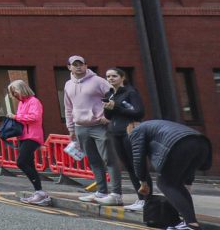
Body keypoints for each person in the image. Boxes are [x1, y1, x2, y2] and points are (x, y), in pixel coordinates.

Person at [128, 116, 213, 230]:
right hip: (201, 143)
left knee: (164, 183)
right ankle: (190, 222)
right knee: (176, 184)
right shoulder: (155, 124)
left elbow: (138, 159)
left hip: (178, 143)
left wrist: (143, 182)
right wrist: (188, 183)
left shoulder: (136, 131)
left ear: (131, 125)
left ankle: (191, 225)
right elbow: (188, 167)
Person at [62, 55, 112, 203]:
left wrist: (107, 116)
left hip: (99, 125)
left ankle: (116, 193)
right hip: (80, 127)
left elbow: (115, 98)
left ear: (86, 65)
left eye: (81, 64)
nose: (78, 67)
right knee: (93, 160)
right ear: (69, 67)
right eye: (75, 64)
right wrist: (70, 128)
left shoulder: (98, 81)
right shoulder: (68, 85)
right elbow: (68, 107)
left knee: (109, 159)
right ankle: (102, 191)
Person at [102, 68, 145, 209]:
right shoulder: (109, 94)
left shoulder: (130, 92)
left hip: (129, 132)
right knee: (128, 167)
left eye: (114, 76)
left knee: (136, 165)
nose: (111, 79)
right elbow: (109, 116)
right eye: (108, 76)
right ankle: (140, 199)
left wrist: (117, 107)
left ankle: (146, 199)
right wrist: (108, 108)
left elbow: (138, 113)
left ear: (122, 77)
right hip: (115, 133)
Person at [10, 79, 51, 206]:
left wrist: (16, 117)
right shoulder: (21, 103)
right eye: (12, 93)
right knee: (29, 163)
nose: (14, 95)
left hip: (32, 136)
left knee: (21, 162)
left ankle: (40, 193)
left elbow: (35, 117)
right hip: (23, 136)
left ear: (22, 89)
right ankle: (39, 192)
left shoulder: (34, 101)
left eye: (15, 91)